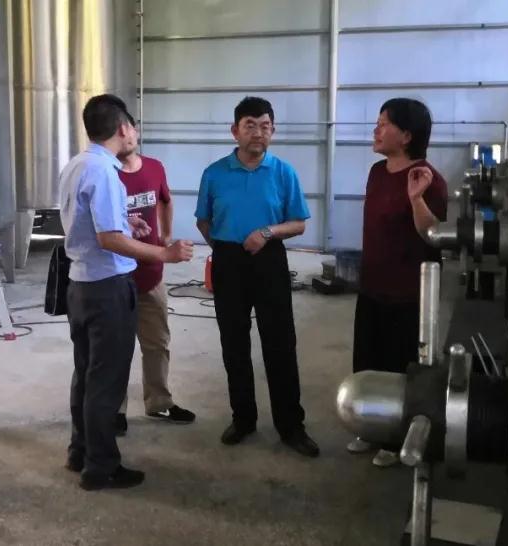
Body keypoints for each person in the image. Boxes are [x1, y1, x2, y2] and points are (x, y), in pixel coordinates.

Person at [59, 94, 193, 490]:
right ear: (122, 129)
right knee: (106, 381)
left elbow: (89, 224)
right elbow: (109, 239)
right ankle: (101, 467)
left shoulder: (77, 165)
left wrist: (124, 222)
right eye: (131, 125)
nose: (134, 131)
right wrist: (164, 253)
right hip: (107, 289)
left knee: (86, 374)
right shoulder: (104, 171)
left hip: (81, 285)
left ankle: (80, 450)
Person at [195, 96, 319, 458]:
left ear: (273, 131)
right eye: (250, 126)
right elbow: (204, 221)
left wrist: (267, 232)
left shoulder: (283, 172)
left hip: (269, 260)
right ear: (235, 131)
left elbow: (298, 223)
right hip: (228, 262)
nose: (258, 133)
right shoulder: (214, 173)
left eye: (265, 126)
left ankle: (291, 425)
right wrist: (225, 248)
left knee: (280, 344)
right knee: (234, 344)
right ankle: (243, 418)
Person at [349, 98, 447, 466]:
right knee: (368, 362)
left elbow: (432, 235)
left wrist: (416, 198)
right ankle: (370, 428)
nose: (376, 130)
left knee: (399, 368)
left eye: (383, 124)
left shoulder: (428, 179)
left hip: (407, 294)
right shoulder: (377, 172)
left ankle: (395, 437)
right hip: (372, 285)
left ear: (406, 135)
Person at [114, 130, 196, 435]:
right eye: (118, 130)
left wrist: (166, 235)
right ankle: (115, 410)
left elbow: (165, 200)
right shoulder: (105, 174)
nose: (125, 136)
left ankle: (159, 401)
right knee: (117, 349)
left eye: (128, 128)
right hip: (116, 278)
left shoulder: (154, 167)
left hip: (152, 275)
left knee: (157, 343)